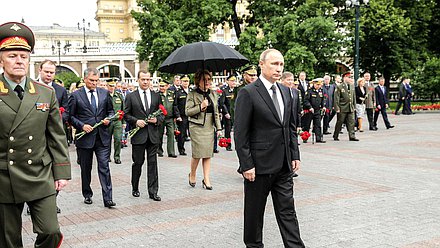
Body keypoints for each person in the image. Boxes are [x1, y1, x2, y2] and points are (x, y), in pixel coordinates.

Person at [0, 21, 71, 248]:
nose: (19, 60)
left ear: (29, 60)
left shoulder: (45, 93)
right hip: (4, 175)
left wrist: (61, 172)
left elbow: (57, 135)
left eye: (23, 55)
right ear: (1, 60)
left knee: (51, 231)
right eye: (12, 55)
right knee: (8, 240)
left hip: (39, 173)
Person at [234, 49, 304, 247]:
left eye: (281, 64)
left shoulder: (287, 92)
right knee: (254, 215)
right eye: (274, 64)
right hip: (258, 167)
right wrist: (246, 164)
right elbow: (241, 133)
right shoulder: (248, 93)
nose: (278, 68)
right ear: (261, 64)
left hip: (283, 165)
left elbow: (289, 126)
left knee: (288, 212)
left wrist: (294, 153)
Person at [68, 67, 116, 208]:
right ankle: (87, 193)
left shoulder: (104, 93)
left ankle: (108, 198)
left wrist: (109, 119)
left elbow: (111, 110)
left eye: (96, 80)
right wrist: (82, 125)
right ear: (84, 80)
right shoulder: (76, 95)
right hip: (85, 138)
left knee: (104, 167)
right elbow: (71, 116)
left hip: (102, 137)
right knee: (85, 168)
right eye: (91, 80)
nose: (94, 83)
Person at [124, 70, 164, 201]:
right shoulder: (131, 96)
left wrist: (157, 120)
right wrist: (136, 121)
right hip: (139, 136)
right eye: (143, 79)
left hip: (153, 135)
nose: (146, 82)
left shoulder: (156, 95)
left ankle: (153, 191)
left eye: (148, 79)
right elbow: (126, 114)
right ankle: (135, 187)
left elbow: (162, 113)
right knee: (138, 163)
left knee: (153, 163)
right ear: (138, 80)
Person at [38, 59, 69, 214]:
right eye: (47, 72)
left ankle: (51, 201)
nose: (49, 75)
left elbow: (67, 111)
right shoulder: (32, 87)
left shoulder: (60, 91)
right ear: (40, 70)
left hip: (54, 135)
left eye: (52, 72)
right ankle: (35, 201)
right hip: (37, 136)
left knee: (55, 171)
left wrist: (56, 119)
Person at [186, 70, 222, 190]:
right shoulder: (192, 94)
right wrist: (200, 107)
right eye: (204, 79)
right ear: (198, 81)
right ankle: (192, 173)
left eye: (209, 79)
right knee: (197, 154)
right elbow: (188, 112)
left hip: (209, 126)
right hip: (197, 126)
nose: (207, 82)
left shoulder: (213, 93)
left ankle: (206, 178)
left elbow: (216, 112)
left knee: (207, 154)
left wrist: (219, 128)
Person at [333, 72, 359, 141]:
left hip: (350, 107)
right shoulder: (339, 86)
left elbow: (353, 98)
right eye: (348, 77)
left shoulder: (352, 86)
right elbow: (336, 98)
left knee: (351, 122)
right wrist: (337, 108)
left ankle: (352, 136)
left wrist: (354, 106)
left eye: (350, 77)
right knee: (340, 122)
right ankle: (336, 135)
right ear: (344, 78)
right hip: (342, 108)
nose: (350, 79)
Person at [158, 80, 180, 158]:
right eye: (160, 86)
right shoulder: (157, 95)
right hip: (161, 118)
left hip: (170, 118)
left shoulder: (171, 94)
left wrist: (176, 116)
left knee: (171, 134)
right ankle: (159, 150)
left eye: (163, 86)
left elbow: (175, 106)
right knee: (159, 135)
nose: (161, 88)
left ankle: (171, 152)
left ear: (167, 86)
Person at [303, 78, 326, 143]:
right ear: (314, 84)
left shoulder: (321, 91)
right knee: (307, 125)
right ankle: (305, 138)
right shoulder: (309, 91)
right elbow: (306, 101)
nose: (318, 86)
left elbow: (323, 99)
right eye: (317, 84)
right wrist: (309, 107)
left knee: (318, 124)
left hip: (317, 110)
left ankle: (318, 138)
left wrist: (323, 106)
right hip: (310, 110)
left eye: (319, 84)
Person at [107, 79, 125, 164]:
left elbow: (123, 109)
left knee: (118, 139)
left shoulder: (119, 95)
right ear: (107, 86)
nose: (112, 88)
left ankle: (117, 156)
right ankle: (107, 156)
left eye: (113, 86)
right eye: (110, 86)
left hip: (118, 121)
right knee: (107, 140)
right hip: (108, 122)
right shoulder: (104, 95)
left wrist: (124, 122)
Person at [219, 75, 236, 151]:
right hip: (228, 113)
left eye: (234, 81)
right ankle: (228, 145)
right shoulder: (224, 90)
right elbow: (222, 103)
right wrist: (225, 113)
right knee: (228, 130)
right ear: (228, 81)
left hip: (236, 113)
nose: (233, 82)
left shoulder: (237, 90)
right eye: (232, 81)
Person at [175, 75, 190, 155]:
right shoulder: (178, 92)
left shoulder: (191, 91)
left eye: (187, 81)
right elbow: (175, 105)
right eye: (184, 81)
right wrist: (177, 116)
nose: (186, 83)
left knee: (193, 133)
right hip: (182, 116)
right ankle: (181, 149)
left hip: (191, 115)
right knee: (182, 134)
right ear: (181, 82)